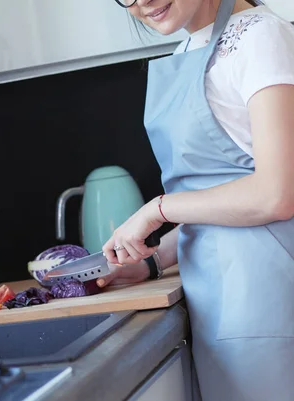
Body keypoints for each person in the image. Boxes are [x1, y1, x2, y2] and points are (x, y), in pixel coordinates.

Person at [97, 0, 294, 400]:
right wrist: (151, 261)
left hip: (269, 300)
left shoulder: (261, 35)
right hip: (220, 304)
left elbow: (276, 194)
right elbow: (213, 210)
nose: (142, 2)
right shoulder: (185, 53)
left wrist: (157, 210)